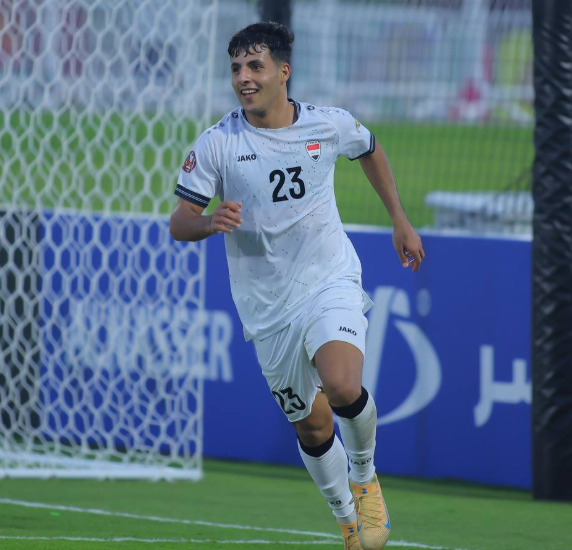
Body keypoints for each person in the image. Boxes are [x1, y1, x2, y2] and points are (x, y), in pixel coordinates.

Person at [169, 21, 424, 550]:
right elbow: (179, 222)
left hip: (328, 279)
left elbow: (370, 148)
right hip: (266, 307)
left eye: (255, 66)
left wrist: (399, 219)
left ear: (283, 72)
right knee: (312, 427)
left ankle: (365, 478)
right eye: (236, 68)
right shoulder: (217, 144)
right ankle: (347, 521)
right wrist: (209, 221)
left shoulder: (328, 125)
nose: (243, 77)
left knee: (343, 386)